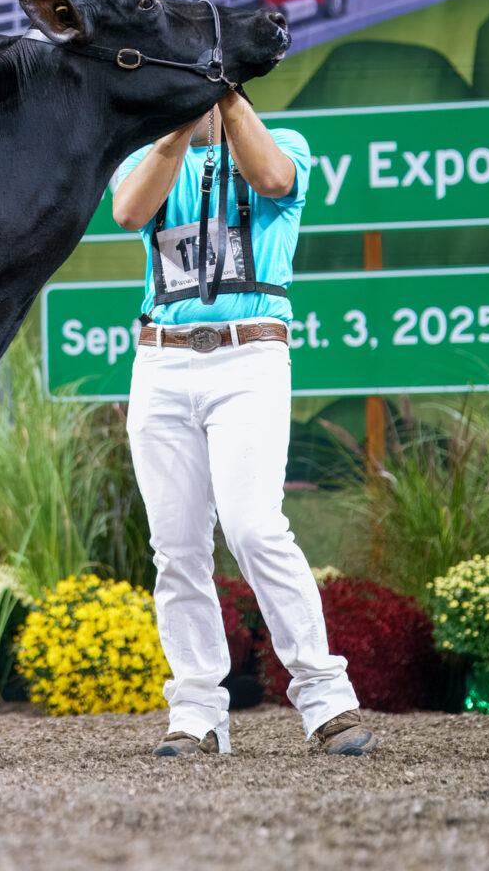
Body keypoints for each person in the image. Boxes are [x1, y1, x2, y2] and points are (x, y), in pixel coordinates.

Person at [111, 89, 376, 757]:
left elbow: (274, 181)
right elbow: (128, 212)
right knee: (176, 548)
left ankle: (326, 699)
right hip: (161, 361)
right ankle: (196, 713)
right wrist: (178, 125)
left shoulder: (286, 145)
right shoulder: (148, 157)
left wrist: (223, 95)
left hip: (250, 355)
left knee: (256, 528)